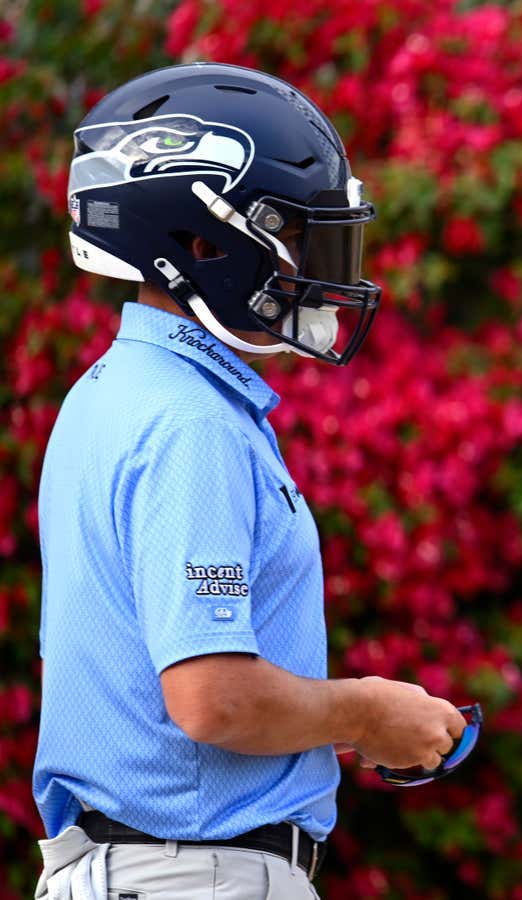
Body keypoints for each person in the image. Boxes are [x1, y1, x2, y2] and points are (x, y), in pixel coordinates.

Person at [33, 62, 469, 897]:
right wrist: (369, 713)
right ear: (204, 244)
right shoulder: (191, 424)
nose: (319, 264)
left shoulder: (104, 396)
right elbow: (213, 701)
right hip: (194, 875)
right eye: (300, 232)